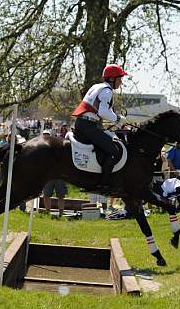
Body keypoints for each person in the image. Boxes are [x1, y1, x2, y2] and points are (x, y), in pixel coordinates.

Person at [71, 64, 128, 194]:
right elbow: (103, 112)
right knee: (113, 150)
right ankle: (104, 184)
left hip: (85, 123)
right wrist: (118, 119)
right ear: (112, 79)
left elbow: (101, 112)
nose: (121, 82)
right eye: (120, 79)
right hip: (89, 125)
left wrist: (119, 124)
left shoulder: (97, 86)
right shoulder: (107, 91)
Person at [41, 130, 67, 215]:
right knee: (46, 195)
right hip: (48, 176)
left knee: (61, 196)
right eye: (44, 135)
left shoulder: (59, 148)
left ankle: (61, 213)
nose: (46, 137)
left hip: (59, 176)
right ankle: (47, 212)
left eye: (48, 135)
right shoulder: (41, 148)